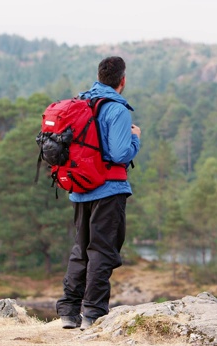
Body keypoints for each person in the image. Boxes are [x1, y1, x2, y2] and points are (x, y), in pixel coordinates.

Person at [56, 56, 141, 331]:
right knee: (102, 251)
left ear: (100, 76)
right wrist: (135, 139)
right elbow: (118, 154)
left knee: (81, 250)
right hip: (108, 190)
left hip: (80, 189)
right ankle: (93, 315)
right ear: (122, 80)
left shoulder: (82, 102)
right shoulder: (117, 109)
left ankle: (69, 312)